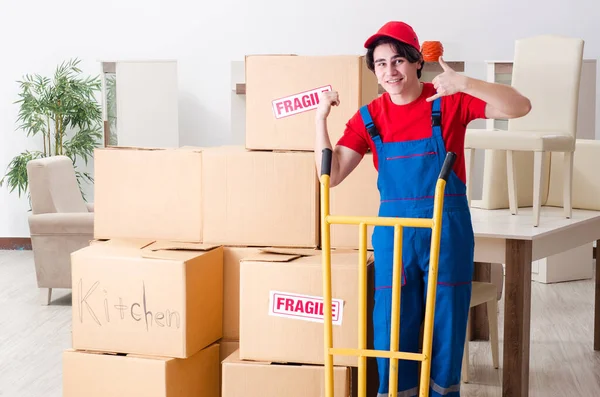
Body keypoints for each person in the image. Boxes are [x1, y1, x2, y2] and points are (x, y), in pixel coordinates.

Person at [314, 21, 531, 397]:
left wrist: (465, 82)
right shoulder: (369, 118)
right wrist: (320, 120)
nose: (390, 71)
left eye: (398, 60)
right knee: (392, 324)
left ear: (417, 63)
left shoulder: (448, 101)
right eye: (381, 64)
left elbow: (520, 107)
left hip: (446, 228)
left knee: (446, 320)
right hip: (393, 234)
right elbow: (329, 177)